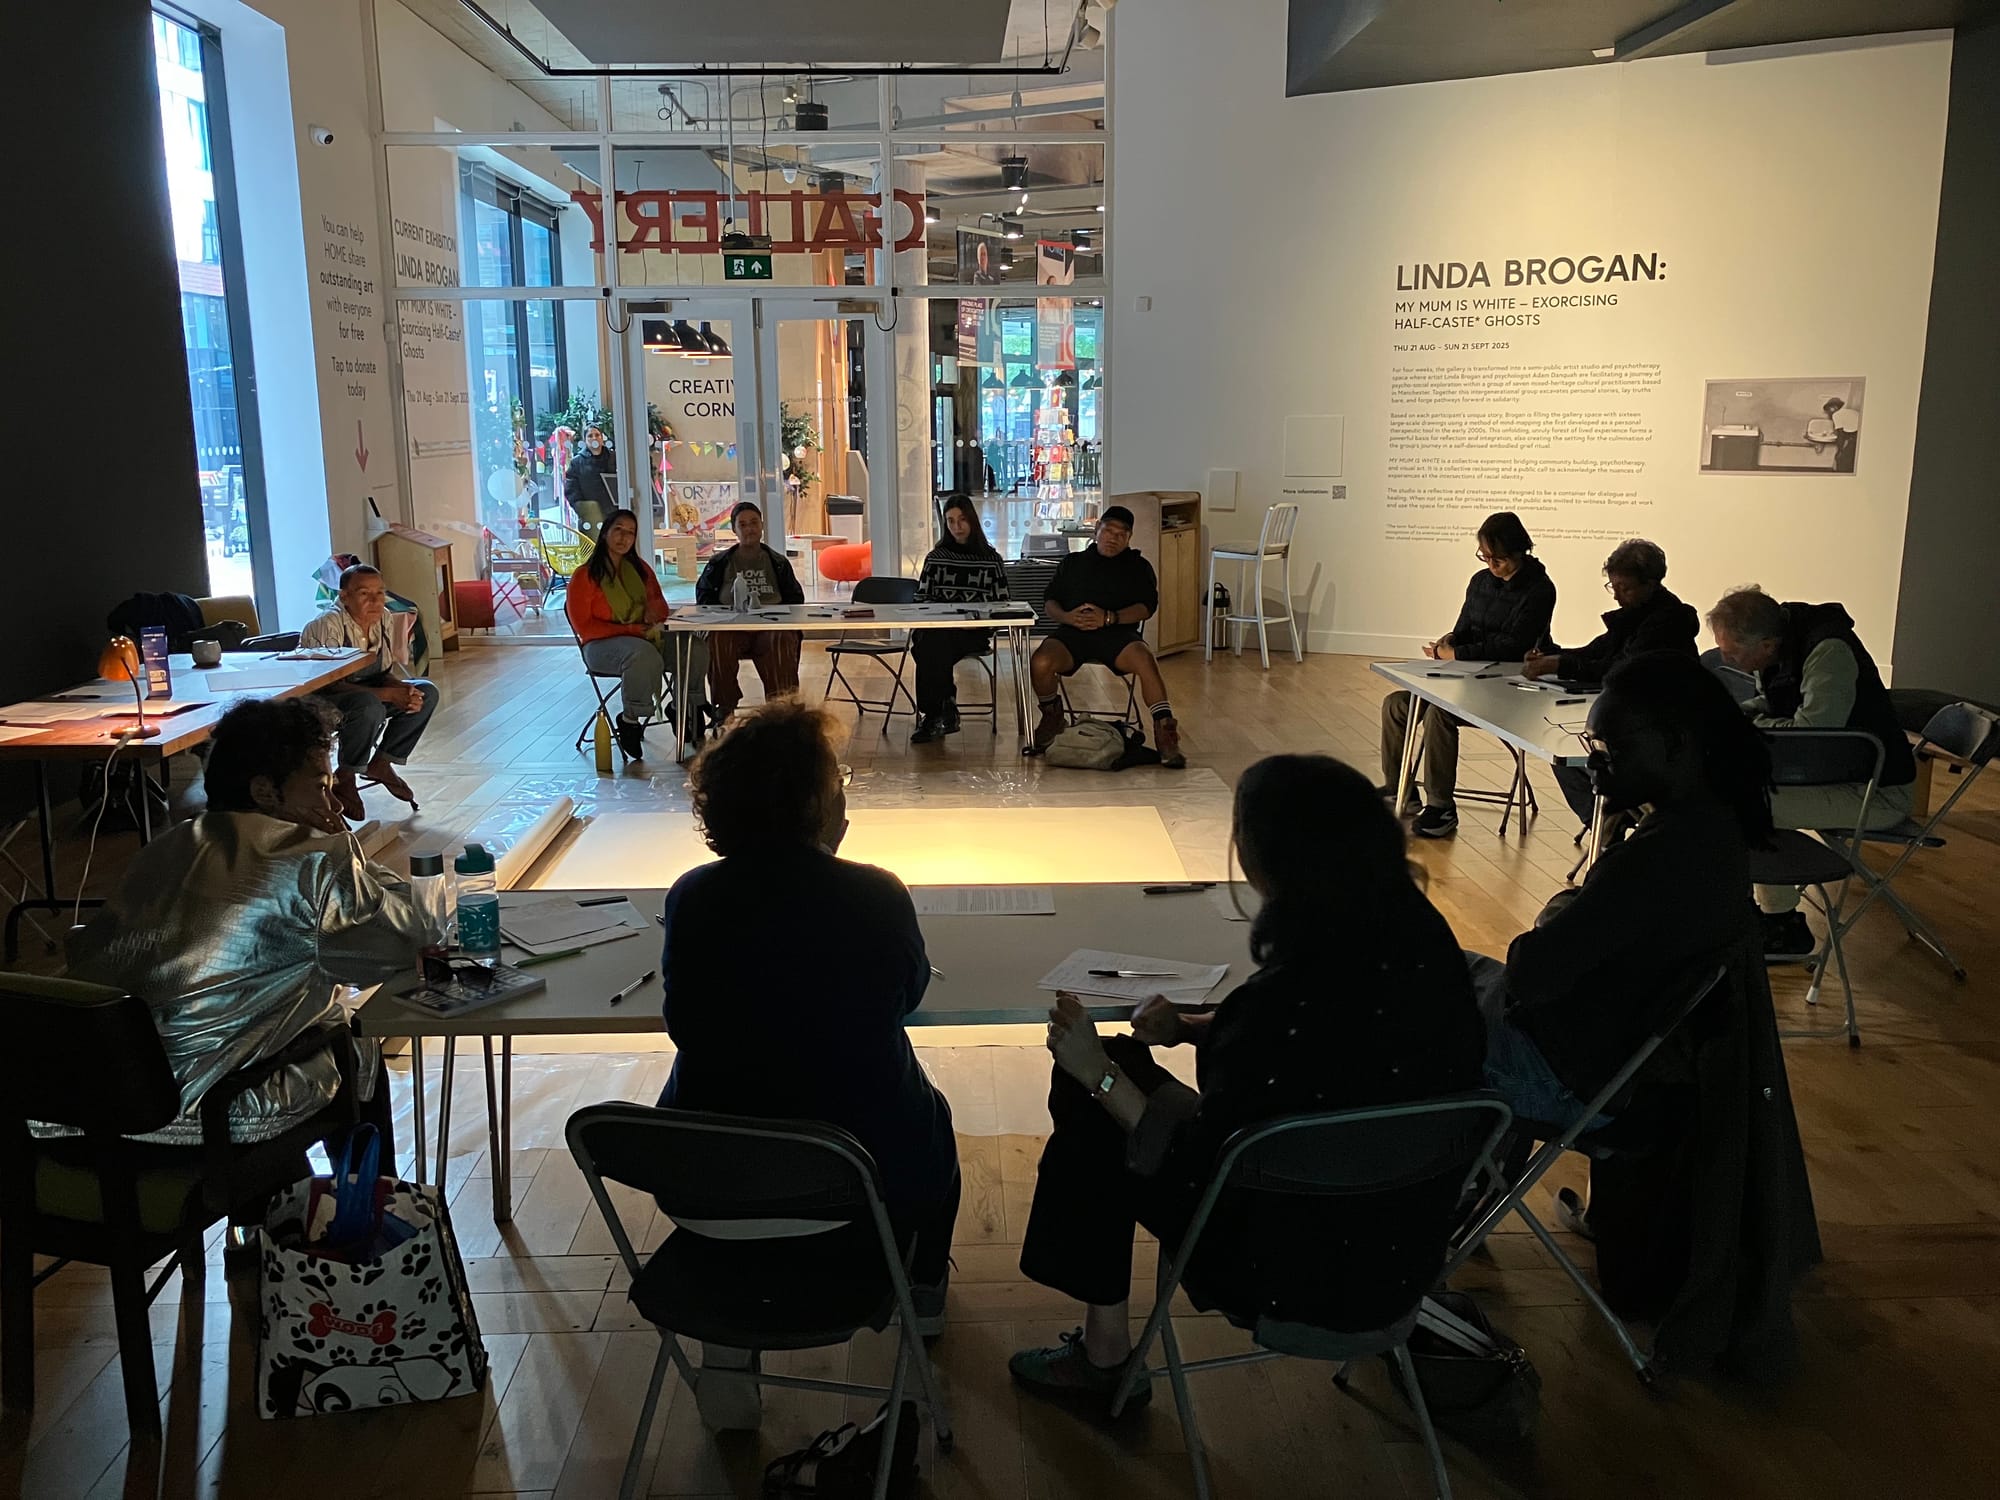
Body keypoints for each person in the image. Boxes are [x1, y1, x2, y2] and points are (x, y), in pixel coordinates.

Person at [1007, 755, 1484, 1411]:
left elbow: (1190, 1169)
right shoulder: (1427, 947)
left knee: (1092, 1092)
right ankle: (1102, 1351)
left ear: (1262, 862)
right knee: (1115, 1068)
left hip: (1275, 1265)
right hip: (1401, 1252)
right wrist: (1197, 1028)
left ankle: (1104, 1356)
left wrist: (1098, 1074)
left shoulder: (1274, 1008)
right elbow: (1341, 1053)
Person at [657, 701, 959, 1324]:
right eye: (837, 779)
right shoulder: (876, 892)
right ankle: (923, 1290)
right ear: (818, 802)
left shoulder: (693, 895)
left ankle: (731, 1323)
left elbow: (684, 1023)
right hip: (858, 1164)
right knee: (936, 1118)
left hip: (706, 1168)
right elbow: (905, 997)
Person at [63, 697, 426, 1147]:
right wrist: (352, 856)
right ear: (264, 792)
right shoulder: (313, 860)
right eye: (320, 786)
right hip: (205, 1116)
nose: (334, 802)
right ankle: (362, 1191)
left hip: (84, 1105)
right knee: (349, 1039)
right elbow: (414, 936)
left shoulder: (163, 848)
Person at [1475, 652, 1771, 1128]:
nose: (1593, 761)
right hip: (1614, 1063)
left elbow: (1531, 974)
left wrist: (1561, 908)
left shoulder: (1658, 858)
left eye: (1611, 747)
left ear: (1675, 745)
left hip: (1559, 1072)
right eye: (1592, 743)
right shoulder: (1715, 827)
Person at [1706, 587, 1915, 955]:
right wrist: (1740, 713)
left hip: (1876, 792)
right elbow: (1780, 703)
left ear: (1767, 645)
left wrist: (1748, 726)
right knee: (1736, 792)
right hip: (1840, 775)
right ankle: (1761, 912)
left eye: (1733, 653)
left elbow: (1813, 733)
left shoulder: (1829, 651)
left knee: (1740, 805)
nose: (1727, 660)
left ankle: (1782, 925)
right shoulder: (1785, 645)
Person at [1379, 512, 1556, 838]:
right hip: (1468, 679)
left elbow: (1515, 647)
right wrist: (1448, 642)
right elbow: (1464, 629)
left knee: (1439, 713)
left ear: (1519, 551)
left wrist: (1456, 654)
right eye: (1485, 556)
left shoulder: (1540, 590)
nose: (1491, 564)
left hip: (1510, 686)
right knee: (1396, 704)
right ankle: (1400, 788)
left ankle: (1441, 807)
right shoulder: (1480, 581)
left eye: (1498, 558)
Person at [1523, 539, 1700, 827]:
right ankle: (1607, 824)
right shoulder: (1637, 614)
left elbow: (1619, 669)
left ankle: (1608, 826)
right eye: (1612, 587)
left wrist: (1558, 664)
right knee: (1565, 756)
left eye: (1624, 588)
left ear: (1650, 583)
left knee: (1584, 757)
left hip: (1660, 730)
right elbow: (1598, 650)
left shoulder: (1667, 622)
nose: (1616, 596)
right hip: (1635, 720)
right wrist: (1554, 657)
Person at [1029, 506, 1186, 768]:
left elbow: (1147, 607)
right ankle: (1052, 715)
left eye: (1121, 534)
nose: (1113, 538)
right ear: (1097, 530)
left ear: (1129, 538)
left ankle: (1164, 730)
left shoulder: (1138, 567)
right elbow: (1050, 601)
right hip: (1073, 632)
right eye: (1108, 531)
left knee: (1145, 660)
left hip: (1118, 633)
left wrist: (1110, 617)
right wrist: (1068, 617)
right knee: (1041, 661)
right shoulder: (1073, 563)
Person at [564, 508, 707, 760]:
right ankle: (629, 719)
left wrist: (653, 612)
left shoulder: (640, 569)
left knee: (693, 647)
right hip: (600, 646)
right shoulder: (584, 576)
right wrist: (630, 630)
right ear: (605, 533)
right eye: (618, 530)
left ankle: (683, 707)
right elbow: (585, 627)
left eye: (630, 533)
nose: (624, 537)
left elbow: (660, 605)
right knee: (642, 655)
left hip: (645, 637)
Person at [300, 563, 438, 821]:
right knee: (368, 705)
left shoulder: (384, 617)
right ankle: (346, 774)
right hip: (324, 698)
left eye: (380, 593)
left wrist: (402, 689)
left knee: (426, 692)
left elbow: (383, 670)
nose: (375, 601)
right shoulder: (327, 625)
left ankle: (381, 762)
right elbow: (326, 683)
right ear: (344, 596)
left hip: (366, 691)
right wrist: (388, 695)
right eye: (364, 593)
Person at [910, 493, 1010, 745]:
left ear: (972, 520)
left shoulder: (991, 560)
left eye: (962, 519)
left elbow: (1002, 603)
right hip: (938, 627)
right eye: (951, 521)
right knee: (932, 642)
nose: (957, 526)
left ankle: (936, 714)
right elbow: (922, 597)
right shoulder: (936, 557)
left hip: (972, 632)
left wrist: (977, 619)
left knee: (928, 647)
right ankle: (943, 709)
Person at [694, 501, 807, 720]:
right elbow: (704, 598)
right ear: (734, 529)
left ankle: (783, 710)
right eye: (743, 524)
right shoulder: (719, 563)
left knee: (782, 639)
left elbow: (795, 599)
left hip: (770, 628)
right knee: (717, 640)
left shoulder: (778, 562)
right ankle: (724, 707)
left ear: (762, 525)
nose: (749, 529)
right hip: (732, 629)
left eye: (754, 523)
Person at [564, 424, 617, 532]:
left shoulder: (615, 458)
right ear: (585, 440)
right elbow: (571, 490)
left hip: (614, 513)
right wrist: (584, 508)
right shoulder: (576, 463)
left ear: (602, 437)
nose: (594, 438)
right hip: (591, 518)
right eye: (590, 436)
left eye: (597, 435)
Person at [1822, 398, 1859, 474]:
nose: (1828, 412)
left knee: (1842, 461)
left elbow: (1840, 435)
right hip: (1859, 435)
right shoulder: (1848, 412)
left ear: (1835, 407)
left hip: (1855, 437)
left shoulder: (1836, 415)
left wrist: (1839, 451)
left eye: (1829, 409)